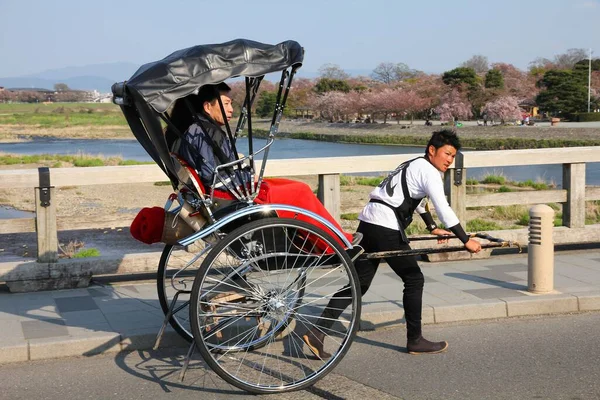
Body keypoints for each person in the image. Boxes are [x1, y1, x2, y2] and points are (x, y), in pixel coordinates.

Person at [302, 129, 482, 359]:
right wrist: (466, 240)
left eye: (453, 156)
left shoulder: (412, 164)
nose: (449, 160)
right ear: (432, 150)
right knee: (414, 278)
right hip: (385, 227)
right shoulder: (430, 172)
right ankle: (415, 340)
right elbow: (443, 207)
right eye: (447, 154)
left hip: (368, 223)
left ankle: (317, 332)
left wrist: (431, 227)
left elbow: (416, 200)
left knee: (359, 284)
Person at [168, 83, 361, 245]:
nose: (231, 109)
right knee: (300, 190)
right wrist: (247, 177)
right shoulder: (206, 132)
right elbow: (212, 174)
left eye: (231, 104)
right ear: (207, 107)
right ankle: (336, 242)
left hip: (223, 193)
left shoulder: (195, 130)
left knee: (289, 186)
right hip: (228, 196)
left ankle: (324, 240)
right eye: (225, 103)